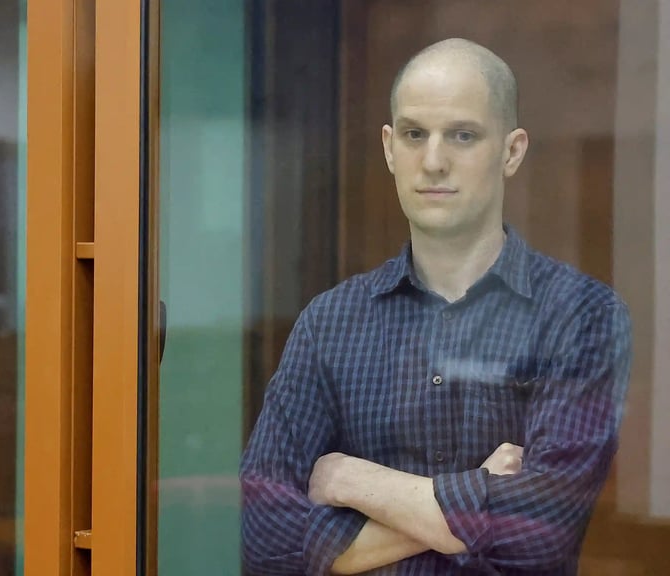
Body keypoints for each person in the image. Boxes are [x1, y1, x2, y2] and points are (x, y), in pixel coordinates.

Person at [239, 38, 632, 576]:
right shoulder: (329, 323)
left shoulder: (581, 316)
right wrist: (480, 497)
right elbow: (265, 543)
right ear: (388, 148)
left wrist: (353, 481)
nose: (433, 161)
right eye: (414, 134)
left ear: (512, 152)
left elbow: (537, 540)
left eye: (463, 136)